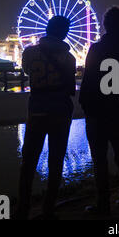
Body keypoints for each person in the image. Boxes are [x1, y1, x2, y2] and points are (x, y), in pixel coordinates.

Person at [16, 16, 76, 220]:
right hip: (60, 110)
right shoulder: (68, 58)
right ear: (65, 33)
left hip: (37, 109)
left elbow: (26, 71)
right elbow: (70, 84)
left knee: (29, 160)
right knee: (56, 159)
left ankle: (22, 207)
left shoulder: (30, 53)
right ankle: (48, 208)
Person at [79, 6, 119, 214]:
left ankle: (103, 203)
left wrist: (87, 106)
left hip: (97, 111)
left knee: (99, 159)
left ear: (105, 26)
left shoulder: (96, 49)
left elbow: (89, 81)